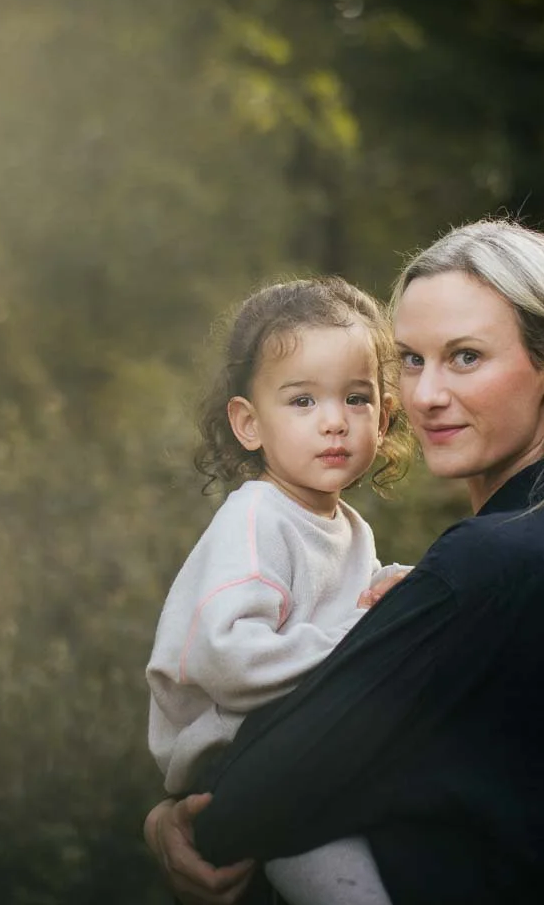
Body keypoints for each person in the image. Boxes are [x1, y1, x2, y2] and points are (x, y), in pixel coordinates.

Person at [143, 219, 544, 905]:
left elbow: (251, 801)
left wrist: (173, 819)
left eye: (464, 357)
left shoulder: (495, 561)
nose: (425, 395)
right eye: (410, 359)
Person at [145, 277, 416, 905]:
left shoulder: (348, 525)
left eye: (356, 398)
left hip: (306, 749)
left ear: (385, 414)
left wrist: (386, 592)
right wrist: (367, 632)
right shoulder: (256, 519)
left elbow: (333, 616)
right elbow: (229, 659)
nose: (334, 423)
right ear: (248, 423)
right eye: (302, 401)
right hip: (237, 763)